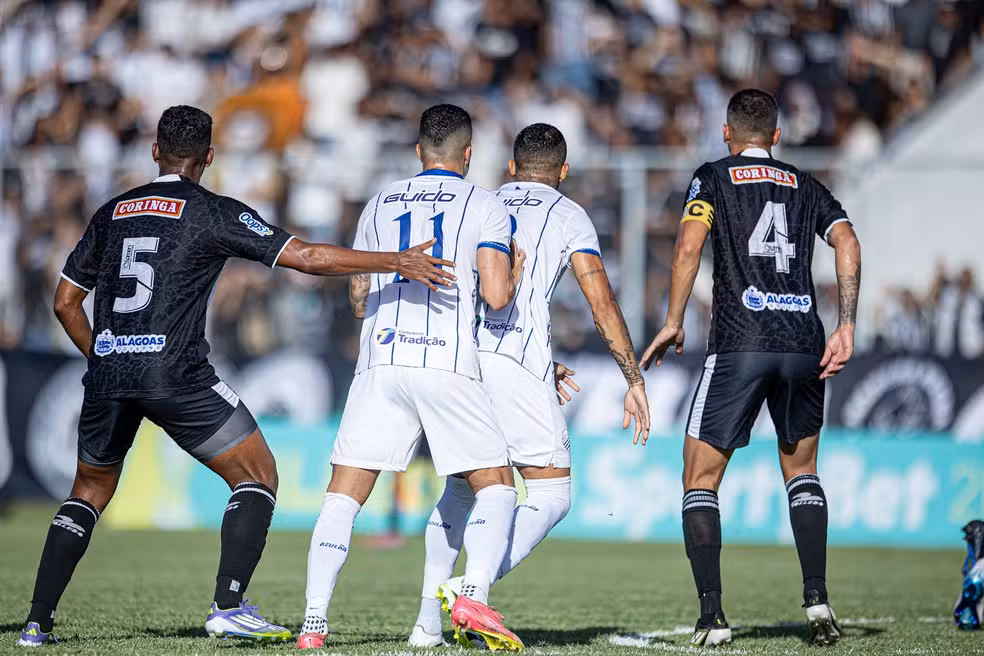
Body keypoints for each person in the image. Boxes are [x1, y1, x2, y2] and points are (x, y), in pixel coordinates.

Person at [15, 105, 454, 648]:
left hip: (110, 372)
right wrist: (396, 261)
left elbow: (64, 302)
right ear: (209, 157)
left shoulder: (111, 212)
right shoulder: (211, 211)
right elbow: (309, 257)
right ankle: (228, 605)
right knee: (257, 475)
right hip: (176, 373)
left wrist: (105, 357)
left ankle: (37, 622)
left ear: (154, 151)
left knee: (86, 493)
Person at [408, 122, 651, 648]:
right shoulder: (570, 215)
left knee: (460, 488)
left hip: (458, 357)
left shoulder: (482, 199)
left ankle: (427, 626)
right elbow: (600, 301)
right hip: (515, 361)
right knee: (551, 491)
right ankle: (470, 589)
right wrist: (633, 378)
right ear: (563, 171)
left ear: (512, 166)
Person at [297, 104, 525, 651]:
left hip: (381, 362)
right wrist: (514, 271)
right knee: (495, 489)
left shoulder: (379, 201)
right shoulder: (485, 204)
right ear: (468, 156)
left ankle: (314, 623)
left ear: (418, 151)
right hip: (447, 364)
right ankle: (469, 595)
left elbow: (357, 296)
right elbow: (495, 297)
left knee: (343, 497)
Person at [640, 89, 862, 648]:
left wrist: (672, 319)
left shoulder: (713, 177)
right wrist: (847, 325)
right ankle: (818, 603)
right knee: (803, 474)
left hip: (741, 341)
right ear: (777, 137)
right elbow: (848, 241)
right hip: (803, 341)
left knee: (700, 477)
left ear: (726, 133)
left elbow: (689, 246)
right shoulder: (806, 185)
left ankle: (713, 616)